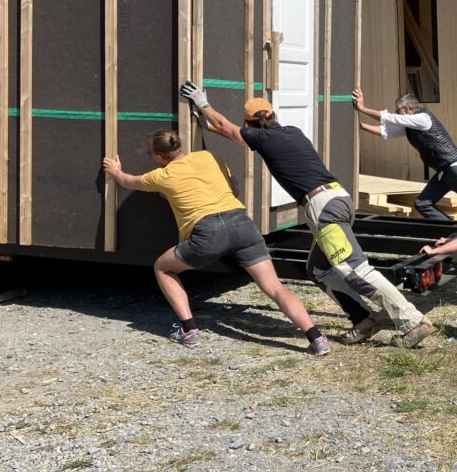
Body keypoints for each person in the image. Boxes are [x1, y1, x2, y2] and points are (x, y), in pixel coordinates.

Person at [179, 81, 435, 348]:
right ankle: (363, 320)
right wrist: (208, 125)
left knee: (356, 270)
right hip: (339, 198)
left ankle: (412, 321)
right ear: (273, 116)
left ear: (250, 124)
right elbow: (233, 132)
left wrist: (202, 103)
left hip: (323, 209)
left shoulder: (260, 136)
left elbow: (228, 128)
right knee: (320, 269)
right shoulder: (292, 132)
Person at [102, 130, 331, 355]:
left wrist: (115, 170)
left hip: (207, 233)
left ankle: (189, 330)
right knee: (274, 287)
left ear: (161, 157)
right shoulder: (209, 156)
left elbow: (128, 181)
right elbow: (235, 188)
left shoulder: (162, 175)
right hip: (241, 223)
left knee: (162, 268)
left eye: (152, 154)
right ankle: (316, 337)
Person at [352, 88, 457, 221]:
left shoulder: (423, 119)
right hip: (443, 173)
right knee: (423, 204)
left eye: (398, 111)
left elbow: (391, 119)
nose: (396, 114)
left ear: (407, 109)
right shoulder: (410, 126)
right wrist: (361, 125)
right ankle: (451, 232)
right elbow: (386, 131)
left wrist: (362, 108)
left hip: (456, 169)